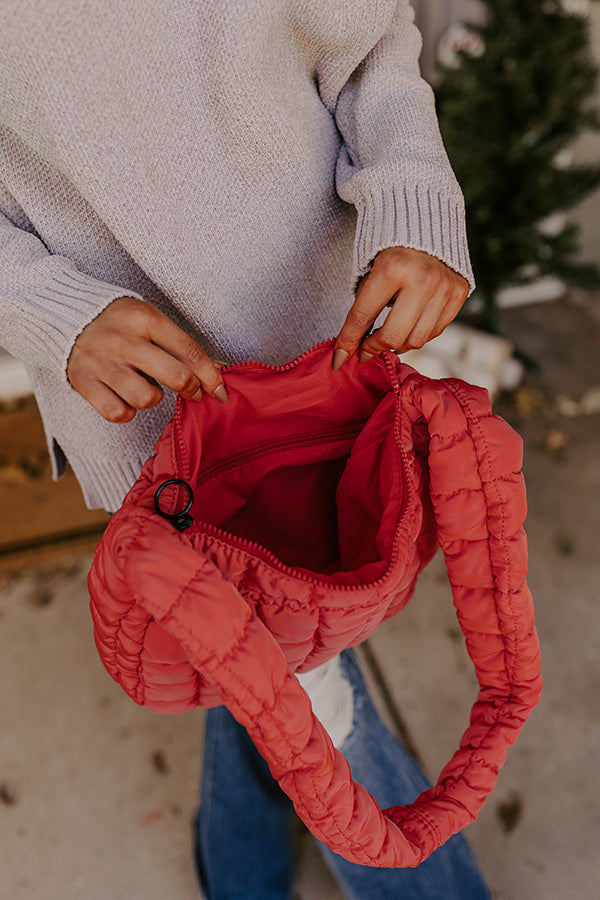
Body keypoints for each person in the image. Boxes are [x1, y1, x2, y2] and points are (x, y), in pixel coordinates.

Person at [1, 1, 491, 897]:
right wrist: (43, 308)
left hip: (325, 358)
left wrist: (414, 190)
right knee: (307, 695)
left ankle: (236, 866)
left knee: (265, 658)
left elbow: (367, 43)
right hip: (152, 418)